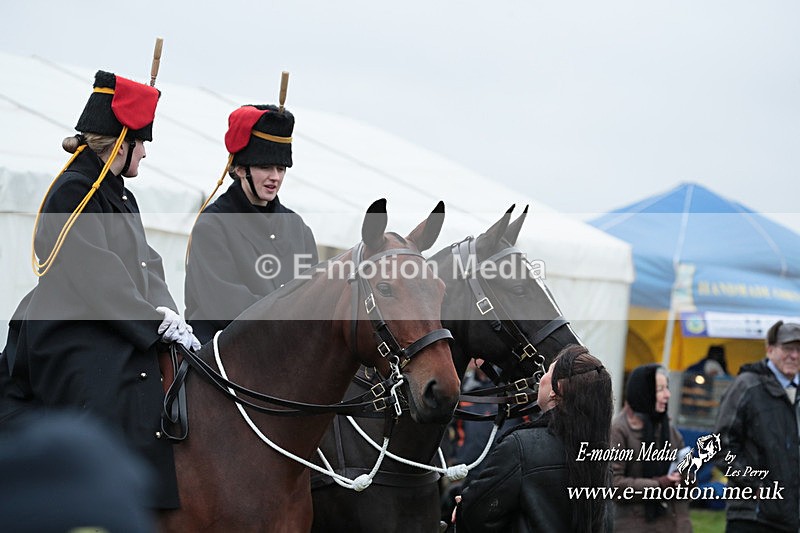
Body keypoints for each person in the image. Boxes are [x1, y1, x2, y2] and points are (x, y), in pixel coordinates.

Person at [5, 70, 198, 509]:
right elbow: (94, 273)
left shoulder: (118, 193)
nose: (145, 153)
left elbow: (148, 262)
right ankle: (102, 501)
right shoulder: (73, 190)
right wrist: (151, 322)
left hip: (116, 322)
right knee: (115, 391)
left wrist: (169, 315)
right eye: (142, 142)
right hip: (69, 331)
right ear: (121, 140)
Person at [184, 103, 318, 344]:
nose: (275, 177)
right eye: (265, 167)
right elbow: (223, 302)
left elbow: (313, 296)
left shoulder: (298, 228)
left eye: (281, 168)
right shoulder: (212, 225)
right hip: (221, 354)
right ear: (240, 168)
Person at [454, 344, 613, 533]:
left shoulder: (520, 446)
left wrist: (466, 504)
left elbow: (476, 515)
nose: (541, 378)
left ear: (557, 389)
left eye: (549, 371)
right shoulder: (600, 454)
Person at [714, 321, 800, 532]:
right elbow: (720, 446)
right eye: (788, 348)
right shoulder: (747, 386)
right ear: (770, 350)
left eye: (799, 350)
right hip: (752, 516)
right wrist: (756, 486)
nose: (795, 355)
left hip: (790, 518)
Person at [610, 363, 691, 532]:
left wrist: (686, 474)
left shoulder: (668, 430)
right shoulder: (619, 430)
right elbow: (614, 485)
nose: (667, 395)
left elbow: (689, 486)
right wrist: (659, 485)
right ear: (643, 392)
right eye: (660, 389)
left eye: (667, 388)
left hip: (673, 525)